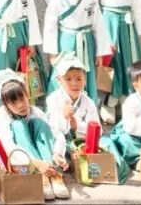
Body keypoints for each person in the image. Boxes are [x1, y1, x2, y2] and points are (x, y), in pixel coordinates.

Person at [45, 54, 125, 182]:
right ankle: (67, 165)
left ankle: (116, 171)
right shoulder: (53, 99)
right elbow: (54, 130)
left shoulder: (88, 101)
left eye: (79, 79)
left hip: (84, 140)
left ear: (85, 79)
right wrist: (64, 118)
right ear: (59, 79)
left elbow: (97, 129)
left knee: (108, 142)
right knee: (57, 150)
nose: (74, 83)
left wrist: (76, 125)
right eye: (68, 79)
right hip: (63, 142)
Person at [0, 71, 71, 200]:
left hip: (44, 155)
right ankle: (40, 176)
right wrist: (35, 163)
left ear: (27, 95)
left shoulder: (36, 112)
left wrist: (58, 153)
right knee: (18, 125)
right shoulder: (1, 115)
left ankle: (54, 175)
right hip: (24, 161)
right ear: (6, 104)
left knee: (39, 123)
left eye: (22, 99)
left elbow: (56, 134)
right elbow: (8, 146)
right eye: (13, 103)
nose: (20, 105)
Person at [43, 0, 110, 101]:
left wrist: (100, 52)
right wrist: (52, 53)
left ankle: (87, 105)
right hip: (66, 43)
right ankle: (59, 106)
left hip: (86, 42)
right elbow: (50, 27)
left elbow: (98, 26)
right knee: (64, 72)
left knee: (85, 74)